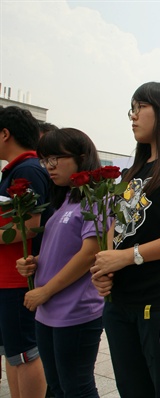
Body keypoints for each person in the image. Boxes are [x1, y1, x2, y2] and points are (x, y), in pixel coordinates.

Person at [90, 82, 160, 397]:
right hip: (121, 303)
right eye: (132, 109)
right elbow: (115, 226)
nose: (133, 117)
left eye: (140, 108)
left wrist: (126, 257)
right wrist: (104, 268)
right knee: (132, 388)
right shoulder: (132, 172)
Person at [15, 128, 106, 397]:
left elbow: (90, 253)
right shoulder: (65, 200)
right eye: (45, 160)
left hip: (75, 311)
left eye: (56, 159)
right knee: (56, 388)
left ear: (81, 157)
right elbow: (63, 251)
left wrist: (45, 290)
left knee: (76, 388)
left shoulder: (96, 198)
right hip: (48, 310)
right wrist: (35, 262)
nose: (49, 167)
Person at [0, 106, 48, 398]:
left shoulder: (28, 170)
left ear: (5, 133)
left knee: (26, 352)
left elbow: (32, 225)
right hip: (9, 277)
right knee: (13, 350)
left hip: (21, 279)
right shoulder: (15, 170)